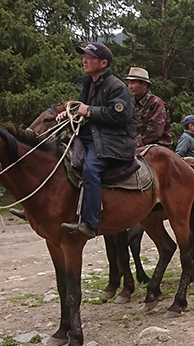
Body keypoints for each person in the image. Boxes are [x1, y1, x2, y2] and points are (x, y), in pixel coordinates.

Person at [58, 42, 136, 238]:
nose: (84, 60)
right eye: (84, 56)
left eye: (90, 58)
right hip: (90, 135)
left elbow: (121, 116)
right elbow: (82, 110)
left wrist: (89, 110)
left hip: (112, 141)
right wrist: (69, 114)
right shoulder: (88, 84)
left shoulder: (116, 86)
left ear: (103, 63)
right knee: (53, 154)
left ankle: (90, 223)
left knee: (90, 169)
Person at [125, 67, 172, 147]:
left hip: (157, 149)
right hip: (136, 148)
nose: (130, 86)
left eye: (133, 83)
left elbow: (155, 133)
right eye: (129, 83)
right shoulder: (130, 104)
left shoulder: (156, 104)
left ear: (144, 85)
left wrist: (134, 144)